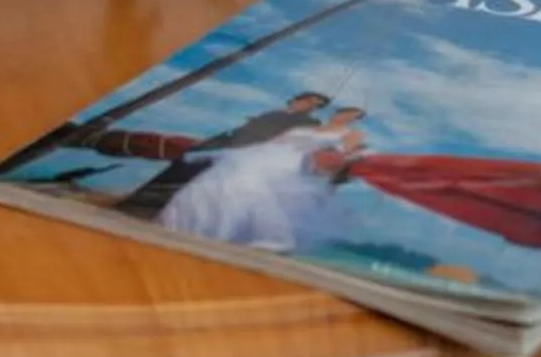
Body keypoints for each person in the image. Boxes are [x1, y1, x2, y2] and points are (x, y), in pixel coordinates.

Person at [160, 106, 369, 254]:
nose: (344, 116)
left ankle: (273, 239)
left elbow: (344, 154)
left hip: (292, 164)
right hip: (265, 154)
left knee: (250, 182)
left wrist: (326, 160)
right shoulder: (307, 128)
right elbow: (273, 143)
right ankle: (189, 227)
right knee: (223, 178)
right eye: (343, 112)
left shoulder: (351, 133)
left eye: (351, 114)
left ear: (355, 118)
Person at [115, 91, 330, 221]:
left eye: (317, 104)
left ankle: (161, 213)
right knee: (181, 169)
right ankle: (137, 205)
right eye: (309, 100)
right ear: (296, 100)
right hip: (222, 143)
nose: (311, 105)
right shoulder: (274, 113)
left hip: (242, 154)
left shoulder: (310, 123)